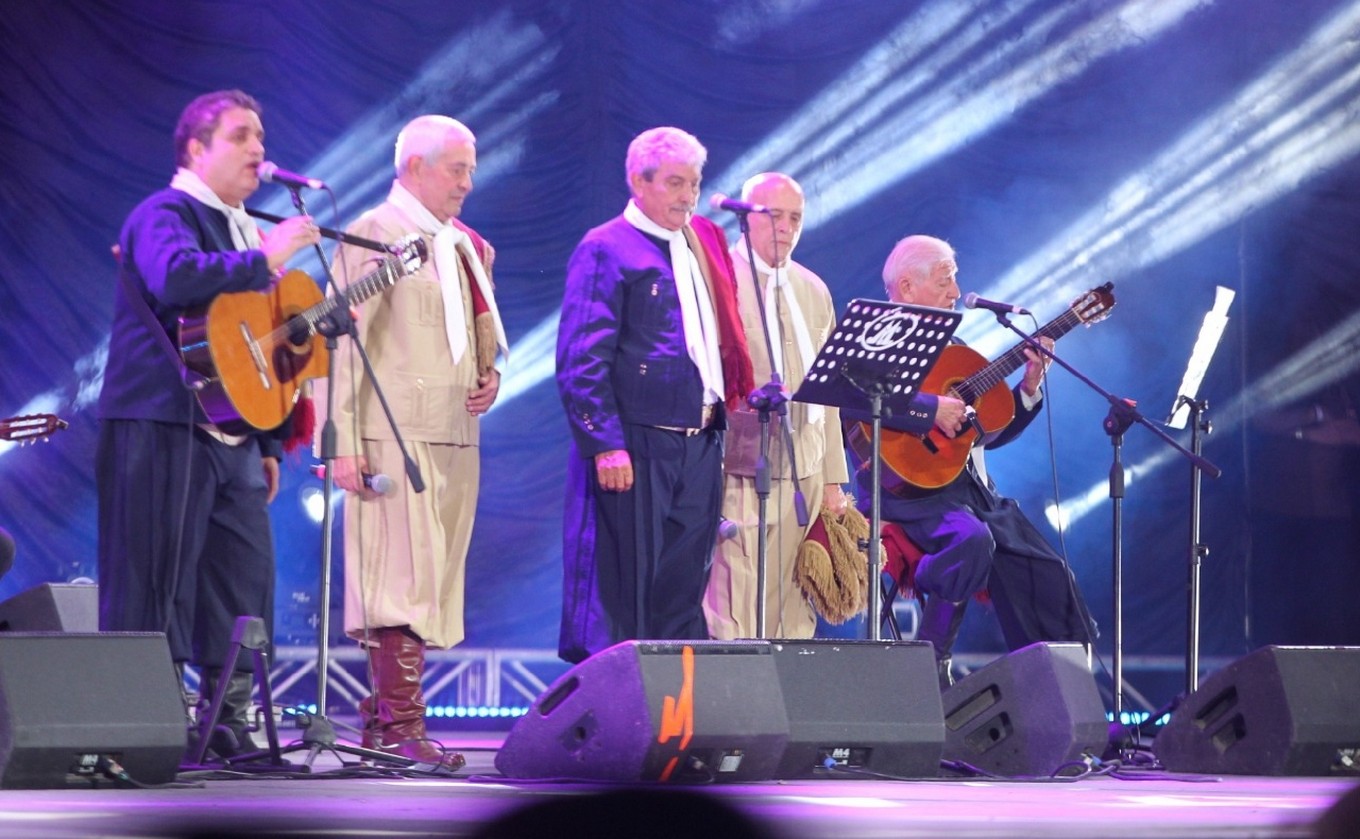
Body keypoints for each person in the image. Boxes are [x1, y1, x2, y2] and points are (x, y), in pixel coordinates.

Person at [97, 89, 320, 758]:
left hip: (232, 436)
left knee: (242, 580)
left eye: (262, 133)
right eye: (241, 135)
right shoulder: (165, 211)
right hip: (161, 420)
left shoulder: (242, 224)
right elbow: (176, 279)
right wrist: (268, 255)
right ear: (197, 148)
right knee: (154, 577)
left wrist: (270, 439)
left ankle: (225, 719)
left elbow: (250, 343)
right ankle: (143, 724)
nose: (260, 148)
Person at [326, 115, 507, 769]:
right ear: (414, 168)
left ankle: (381, 725)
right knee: (395, 577)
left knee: (430, 580)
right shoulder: (378, 233)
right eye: (456, 167)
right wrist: (342, 440)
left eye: (470, 167)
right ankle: (403, 725)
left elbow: (471, 337)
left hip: (454, 433)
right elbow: (343, 340)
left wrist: (488, 378)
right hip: (391, 433)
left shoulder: (463, 245)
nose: (468, 180)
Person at [851, 234, 1094, 686]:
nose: (956, 292)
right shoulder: (877, 336)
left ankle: (1058, 689)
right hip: (905, 493)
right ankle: (930, 660)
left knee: (1049, 572)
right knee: (972, 539)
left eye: (954, 279)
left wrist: (1028, 383)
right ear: (907, 286)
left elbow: (983, 436)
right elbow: (855, 401)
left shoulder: (957, 346)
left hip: (968, 493)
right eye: (945, 280)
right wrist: (928, 409)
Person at [556, 126, 753, 663]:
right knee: (629, 585)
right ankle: (622, 718)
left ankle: (677, 718)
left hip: (701, 437)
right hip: (639, 441)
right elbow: (581, 356)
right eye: (674, 183)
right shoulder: (607, 247)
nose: (688, 196)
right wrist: (605, 444)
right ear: (638, 182)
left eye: (693, 183)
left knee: (684, 582)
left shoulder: (702, 242)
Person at [702, 173, 848, 639]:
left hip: (805, 466)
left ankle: (785, 701)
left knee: (793, 607)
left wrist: (831, 480)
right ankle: (736, 701)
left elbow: (830, 398)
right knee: (736, 597)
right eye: (774, 217)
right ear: (747, 217)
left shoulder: (814, 289)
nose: (785, 228)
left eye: (795, 218)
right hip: (743, 465)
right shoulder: (719, 276)